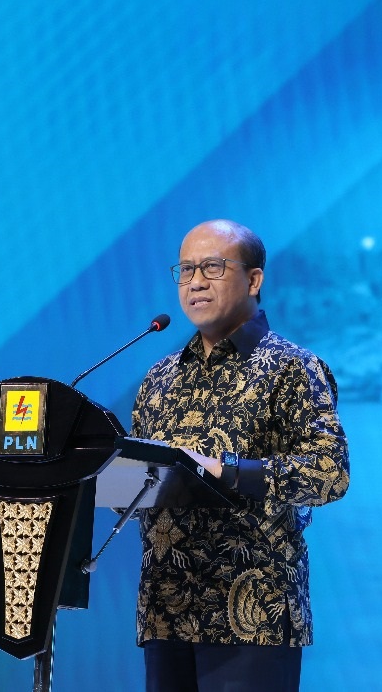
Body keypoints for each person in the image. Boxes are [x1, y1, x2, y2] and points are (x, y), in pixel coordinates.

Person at [131, 219, 349, 692]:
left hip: (253, 614)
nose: (195, 282)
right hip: (166, 608)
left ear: (253, 280)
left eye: (212, 267)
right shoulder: (159, 379)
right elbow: (137, 482)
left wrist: (227, 471)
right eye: (186, 270)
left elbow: (329, 473)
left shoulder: (293, 368)